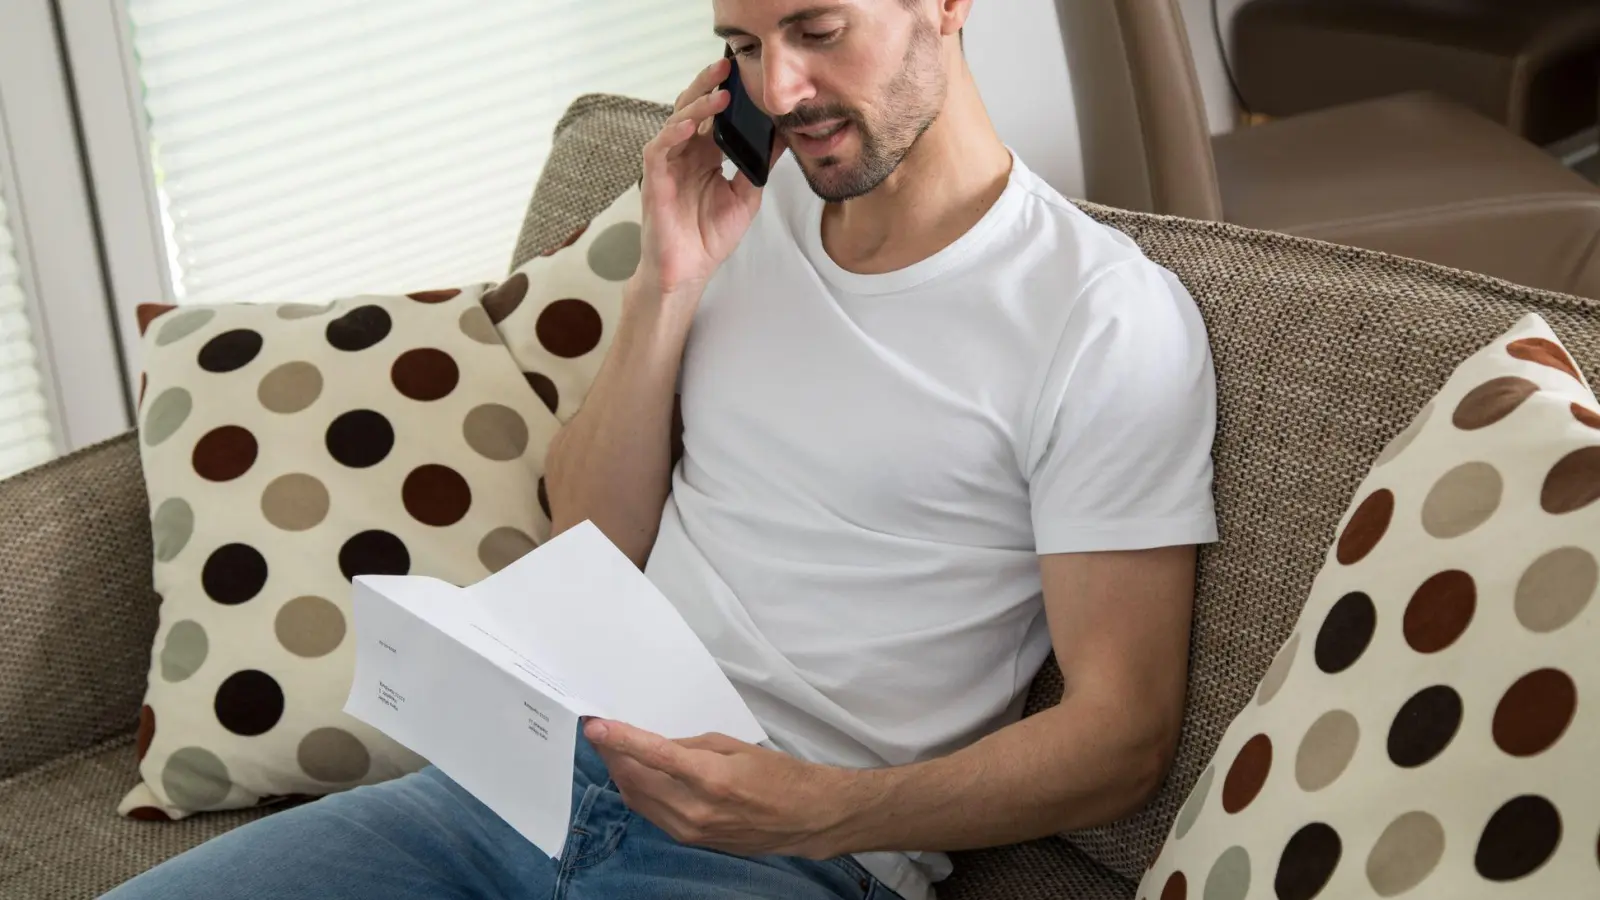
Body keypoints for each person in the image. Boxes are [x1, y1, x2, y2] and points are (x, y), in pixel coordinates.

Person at [105, 1, 1217, 898]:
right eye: (742, 45)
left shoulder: (1100, 318)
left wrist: (825, 806)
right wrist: (666, 281)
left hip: (789, 857)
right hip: (515, 785)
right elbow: (588, 537)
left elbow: (1122, 737)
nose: (778, 91)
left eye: (818, 31)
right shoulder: (745, 219)